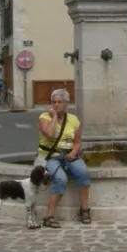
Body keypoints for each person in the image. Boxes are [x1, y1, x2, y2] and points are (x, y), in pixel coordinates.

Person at [36, 88, 92, 227]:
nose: (56, 105)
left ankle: (84, 209)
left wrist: (73, 152)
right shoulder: (44, 117)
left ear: (66, 103)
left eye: (59, 102)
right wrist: (54, 116)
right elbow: (49, 134)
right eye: (53, 102)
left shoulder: (74, 120)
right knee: (60, 179)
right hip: (51, 157)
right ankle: (49, 216)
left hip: (69, 155)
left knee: (83, 173)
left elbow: (78, 142)